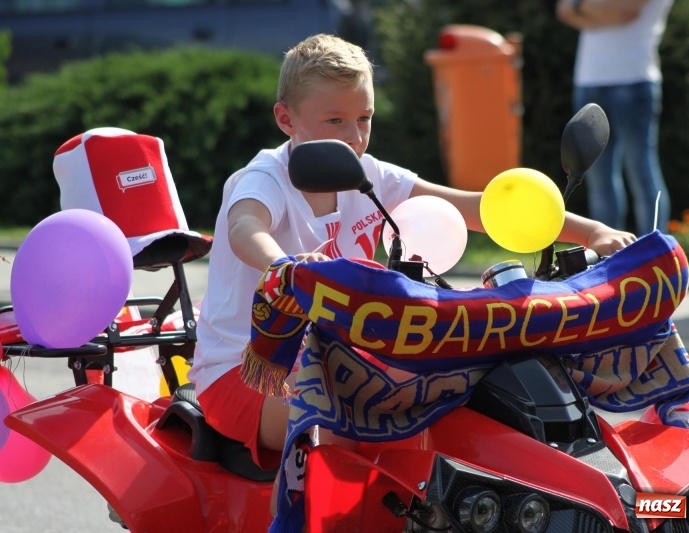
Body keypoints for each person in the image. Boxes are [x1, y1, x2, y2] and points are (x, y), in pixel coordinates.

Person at [187, 33, 636, 486]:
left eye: (364, 118)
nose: (354, 137)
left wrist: (594, 232)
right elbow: (246, 227)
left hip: (339, 358)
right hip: (248, 370)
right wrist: (284, 266)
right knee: (351, 420)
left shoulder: (368, 175)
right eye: (335, 120)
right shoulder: (264, 178)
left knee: (463, 393)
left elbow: (478, 207)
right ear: (286, 119)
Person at [556, 0, 673, 236]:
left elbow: (624, 12)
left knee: (642, 172)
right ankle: (607, 256)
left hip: (634, 80)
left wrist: (581, 7)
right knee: (598, 179)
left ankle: (654, 252)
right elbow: (563, 11)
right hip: (589, 82)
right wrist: (593, 9)